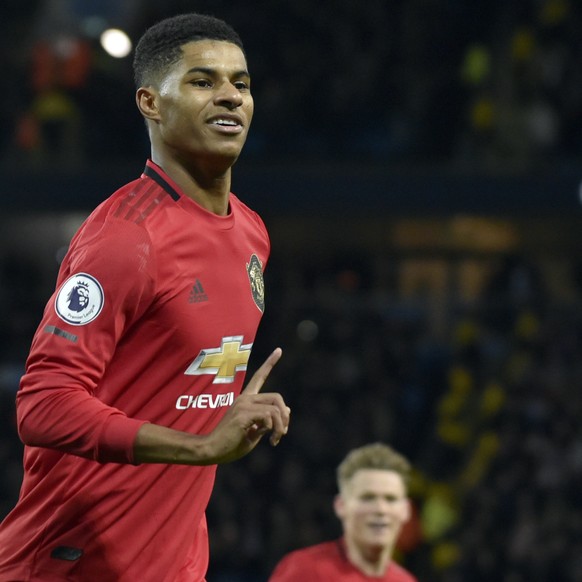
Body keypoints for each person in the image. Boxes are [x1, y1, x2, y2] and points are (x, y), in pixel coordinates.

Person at [0, 12, 290, 582]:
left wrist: (222, 421)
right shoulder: (127, 239)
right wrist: (201, 447)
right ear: (150, 104)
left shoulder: (253, 232)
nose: (230, 97)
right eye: (203, 82)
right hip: (72, 564)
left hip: (173, 564)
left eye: (242, 83)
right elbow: (42, 405)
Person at [269, 443, 417, 582]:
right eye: (367, 498)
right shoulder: (304, 570)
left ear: (406, 510)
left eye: (391, 499)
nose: (380, 509)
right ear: (341, 506)